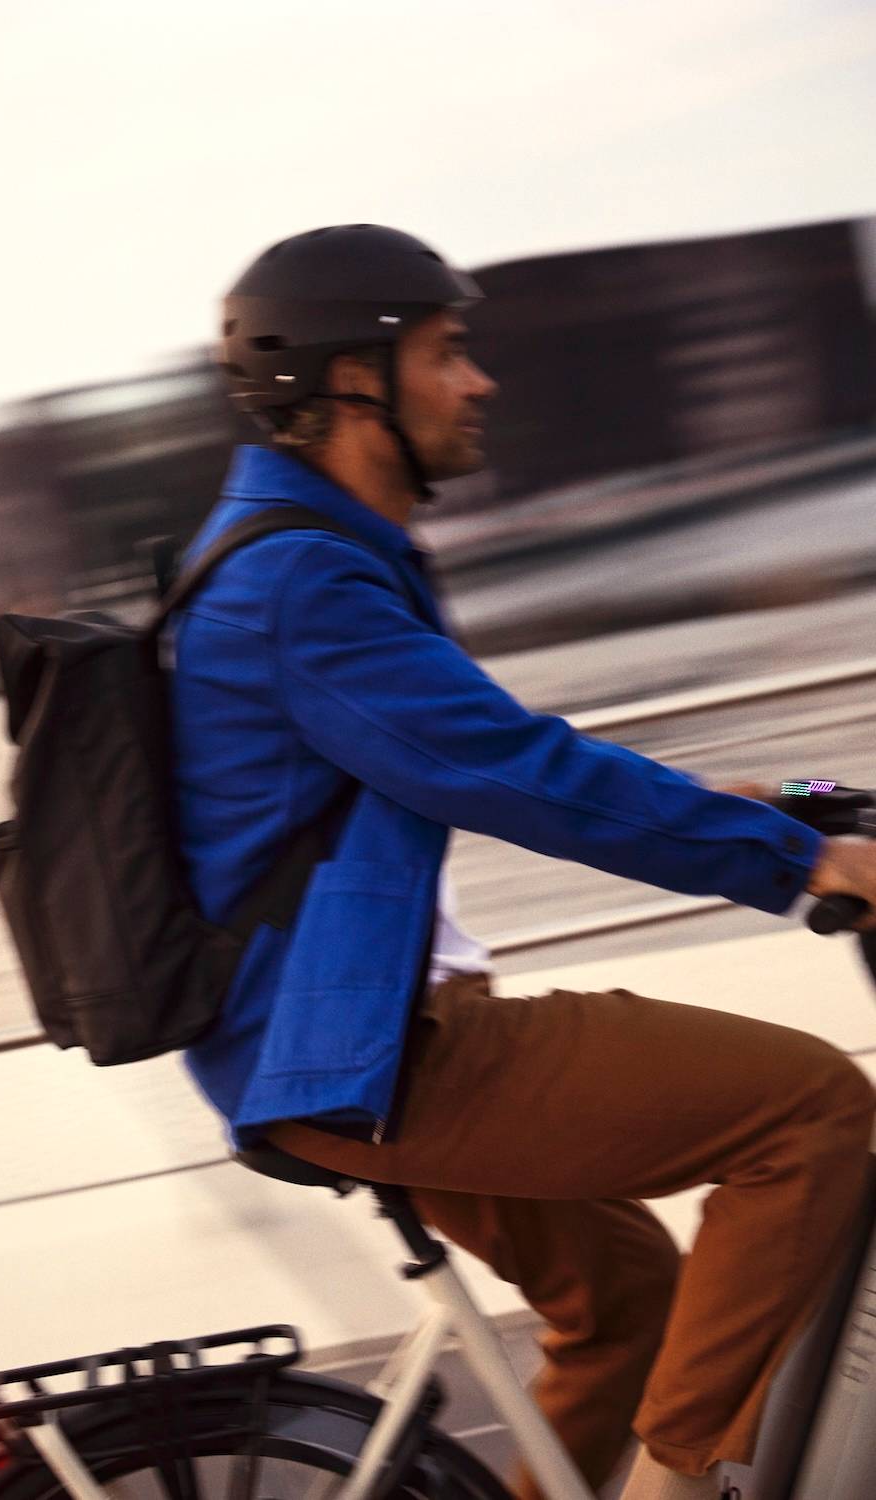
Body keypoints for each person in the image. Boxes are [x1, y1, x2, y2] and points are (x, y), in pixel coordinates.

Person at [170, 224, 876, 1500]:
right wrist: (796, 860)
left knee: (629, 1308)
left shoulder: (303, 559)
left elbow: (495, 754)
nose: (479, 382)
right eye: (448, 355)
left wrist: (793, 803)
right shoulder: (301, 583)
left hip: (337, 1046)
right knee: (810, 1110)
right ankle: (684, 1483)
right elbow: (512, 772)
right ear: (350, 385)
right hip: (379, 1054)